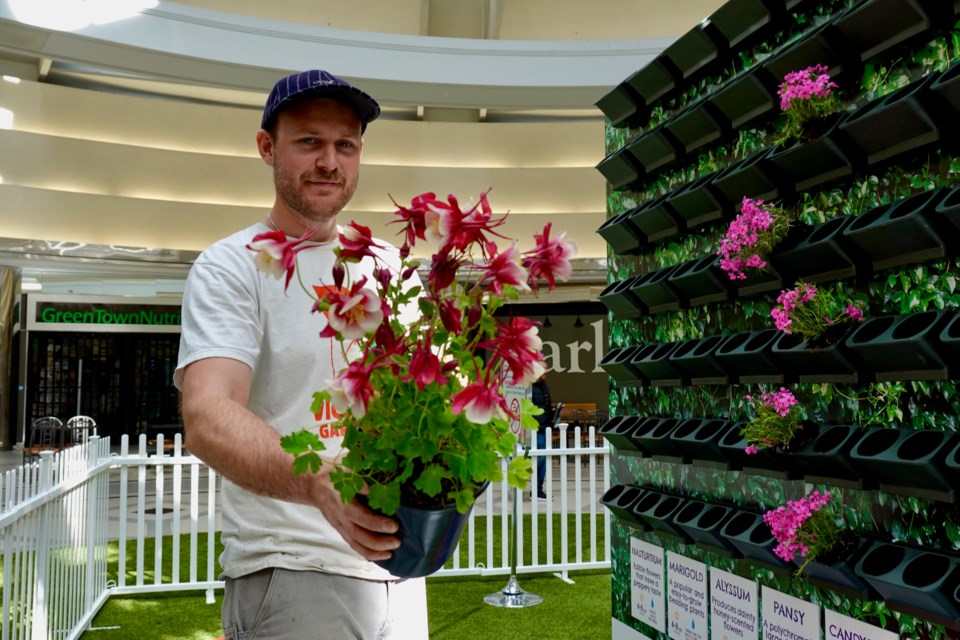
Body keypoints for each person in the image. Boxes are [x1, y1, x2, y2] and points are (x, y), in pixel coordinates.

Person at [174, 70, 428, 640]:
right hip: (291, 566)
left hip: (400, 566)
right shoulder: (231, 265)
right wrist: (319, 483)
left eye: (346, 145)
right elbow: (206, 417)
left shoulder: (387, 264)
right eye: (309, 141)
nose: (329, 162)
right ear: (267, 147)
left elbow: (426, 395)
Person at [531, 371, 552, 499]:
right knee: (540, 459)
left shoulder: (542, 386)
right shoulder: (531, 387)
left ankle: (537, 489)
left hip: (543, 426)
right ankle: (537, 490)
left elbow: (544, 405)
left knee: (542, 459)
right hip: (537, 428)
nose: (546, 372)